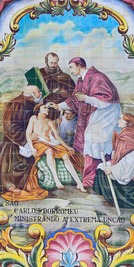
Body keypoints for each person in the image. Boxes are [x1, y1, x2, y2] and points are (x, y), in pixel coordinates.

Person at [48, 57, 121, 187]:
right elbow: (74, 99)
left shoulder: (98, 77)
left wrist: (86, 98)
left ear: (79, 65)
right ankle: (90, 179)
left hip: (107, 113)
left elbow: (106, 100)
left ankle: (104, 177)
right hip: (96, 113)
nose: (70, 71)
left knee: (95, 140)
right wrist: (59, 106)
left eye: (71, 67)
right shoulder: (81, 80)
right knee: (90, 141)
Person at [0, 85, 48, 200]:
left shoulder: (31, 104)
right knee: (17, 165)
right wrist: (27, 136)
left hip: (26, 141)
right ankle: (9, 186)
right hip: (14, 143)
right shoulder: (16, 104)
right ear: (32, 96)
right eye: (37, 92)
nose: (40, 93)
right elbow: (9, 126)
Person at [25, 103, 86, 192]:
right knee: (49, 151)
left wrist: (67, 147)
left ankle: (79, 184)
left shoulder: (49, 122)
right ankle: (56, 179)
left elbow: (57, 137)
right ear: (38, 110)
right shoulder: (34, 118)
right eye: (44, 108)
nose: (47, 109)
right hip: (39, 142)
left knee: (66, 155)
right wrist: (32, 148)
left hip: (51, 142)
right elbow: (28, 133)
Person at [93, 113, 134, 208]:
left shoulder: (128, 136)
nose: (118, 121)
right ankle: (112, 200)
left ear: (127, 122)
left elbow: (130, 161)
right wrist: (116, 155)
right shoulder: (129, 133)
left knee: (104, 170)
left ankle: (119, 201)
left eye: (120, 119)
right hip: (130, 167)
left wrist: (113, 169)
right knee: (101, 167)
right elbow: (123, 153)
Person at [38, 52, 76, 120]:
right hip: (43, 105)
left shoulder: (65, 77)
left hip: (59, 108)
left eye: (55, 63)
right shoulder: (39, 74)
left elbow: (74, 92)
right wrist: (51, 92)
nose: (53, 65)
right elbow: (33, 91)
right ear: (46, 62)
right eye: (51, 63)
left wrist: (67, 93)